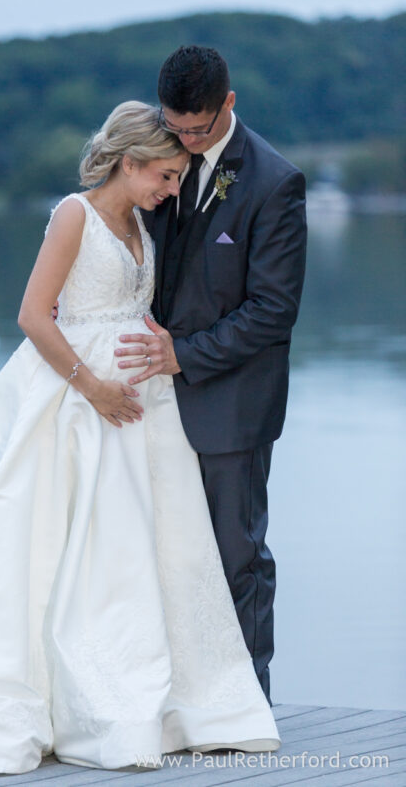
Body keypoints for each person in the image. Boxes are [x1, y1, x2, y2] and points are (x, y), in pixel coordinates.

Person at [0, 101, 280, 776]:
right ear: (128, 161)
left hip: (145, 406)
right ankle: (61, 701)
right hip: (82, 398)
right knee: (65, 544)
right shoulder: (73, 215)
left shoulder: (142, 220)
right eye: (163, 176)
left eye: (175, 179)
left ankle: (158, 697)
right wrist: (93, 387)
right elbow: (31, 313)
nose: (170, 190)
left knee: (148, 549)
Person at [115, 48, 308, 705]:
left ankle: (245, 705)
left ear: (228, 102)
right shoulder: (154, 152)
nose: (188, 142)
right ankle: (171, 697)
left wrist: (184, 355)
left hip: (232, 401)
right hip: (147, 399)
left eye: (199, 129)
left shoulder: (273, 182)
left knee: (237, 555)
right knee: (158, 552)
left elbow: (273, 311)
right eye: (179, 127)